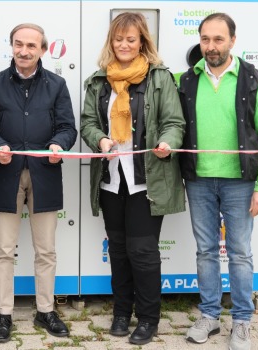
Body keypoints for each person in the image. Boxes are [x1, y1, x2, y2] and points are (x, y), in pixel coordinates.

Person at [80, 12, 186, 345]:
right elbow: (87, 123)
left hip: (147, 180)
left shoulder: (159, 78)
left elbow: (174, 121)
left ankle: (149, 319)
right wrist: (100, 139)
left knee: (142, 251)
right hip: (111, 180)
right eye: (118, 39)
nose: (124, 45)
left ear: (142, 42)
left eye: (131, 39)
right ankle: (122, 313)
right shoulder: (99, 81)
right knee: (119, 251)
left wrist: (169, 143)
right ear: (110, 41)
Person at [179, 13, 258, 350]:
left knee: (239, 253)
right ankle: (209, 316)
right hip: (199, 180)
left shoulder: (252, 79)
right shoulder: (187, 80)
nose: (211, 46)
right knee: (206, 251)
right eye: (205, 39)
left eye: (218, 39)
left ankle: (242, 321)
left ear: (232, 41)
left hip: (240, 183)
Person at [0, 23, 77, 343]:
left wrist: (59, 144)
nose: (24, 51)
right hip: (6, 174)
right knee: (4, 249)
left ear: (43, 50)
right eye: (18, 44)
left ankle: (45, 310)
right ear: (11, 46)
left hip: (45, 175)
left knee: (45, 250)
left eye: (31, 46)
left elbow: (67, 128)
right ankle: (3, 314)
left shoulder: (57, 85)